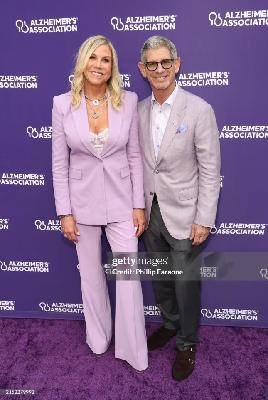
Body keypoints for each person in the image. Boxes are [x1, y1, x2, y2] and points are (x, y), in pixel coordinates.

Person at [52, 35, 148, 371]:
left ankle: (132, 348)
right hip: (81, 203)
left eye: (105, 60)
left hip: (123, 202)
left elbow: (135, 156)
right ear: (82, 62)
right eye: (93, 58)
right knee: (91, 275)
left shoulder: (129, 100)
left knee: (127, 275)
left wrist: (138, 205)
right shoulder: (62, 104)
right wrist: (64, 211)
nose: (98, 65)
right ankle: (98, 338)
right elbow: (58, 163)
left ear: (112, 67)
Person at [138, 36, 221, 380]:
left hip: (186, 214)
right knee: (160, 278)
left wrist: (204, 218)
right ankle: (171, 324)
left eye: (165, 63)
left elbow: (210, 168)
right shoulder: (138, 110)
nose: (160, 69)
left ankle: (187, 343)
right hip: (149, 211)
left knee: (186, 283)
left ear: (177, 64)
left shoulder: (199, 109)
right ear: (142, 70)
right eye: (152, 64)